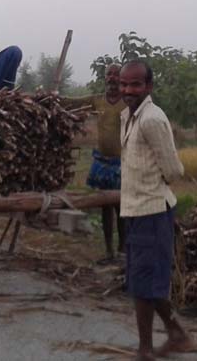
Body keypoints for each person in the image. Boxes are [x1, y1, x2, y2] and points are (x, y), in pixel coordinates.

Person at [119, 60, 193, 359]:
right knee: (143, 280)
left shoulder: (152, 119)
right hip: (135, 209)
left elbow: (173, 170)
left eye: (135, 84)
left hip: (151, 210)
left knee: (142, 284)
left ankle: (145, 350)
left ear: (148, 87)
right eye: (125, 84)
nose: (128, 90)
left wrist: (152, 185)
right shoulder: (128, 116)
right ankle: (176, 334)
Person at [65, 64, 126, 262]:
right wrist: (52, 98)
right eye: (109, 74)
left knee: (121, 208)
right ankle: (109, 251)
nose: (112, 78)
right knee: (105, 207)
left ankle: (123, 249)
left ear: (121, 78)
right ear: (105, 78)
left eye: (116, 75)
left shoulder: (127, 102)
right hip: (102, 162)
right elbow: (74, 103)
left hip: (122, 163)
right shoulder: (98, 100)